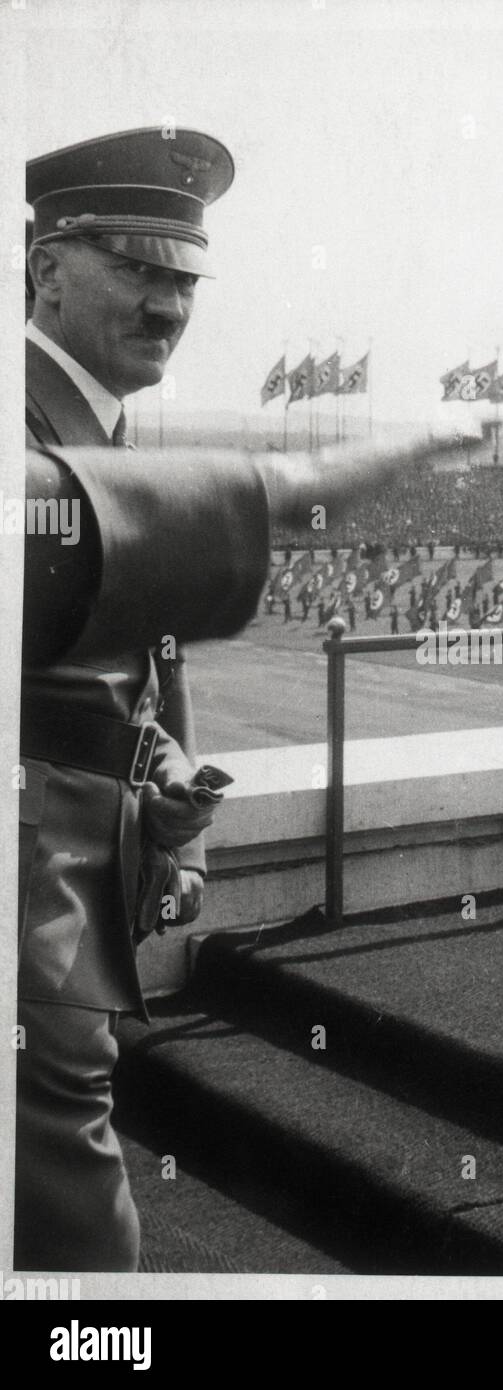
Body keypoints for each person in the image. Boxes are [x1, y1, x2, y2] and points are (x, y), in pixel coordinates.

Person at [18, 127, 235, 1273]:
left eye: (181, 277)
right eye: (135, 266)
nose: (167, 304)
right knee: (73, 1198)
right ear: (43, 266)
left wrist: (170, 810)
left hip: (87, 867)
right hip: (29, 884)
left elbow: (132, 665)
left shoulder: (98, 431)